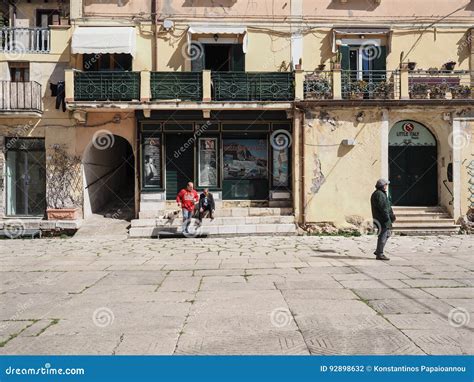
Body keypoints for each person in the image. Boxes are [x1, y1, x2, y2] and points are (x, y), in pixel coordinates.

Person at [370, 178, 396, 261]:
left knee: (387, 233)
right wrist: (387, 218)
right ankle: (380, 254)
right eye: (385, 185)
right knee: (383, 235)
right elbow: (383, 208)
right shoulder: (379, 194)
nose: (386, 186)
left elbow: (387, 206)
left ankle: (378, 250)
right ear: (382, 186)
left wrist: (391, 215)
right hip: (382, 219)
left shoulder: (381, 193)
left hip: (383, 218)